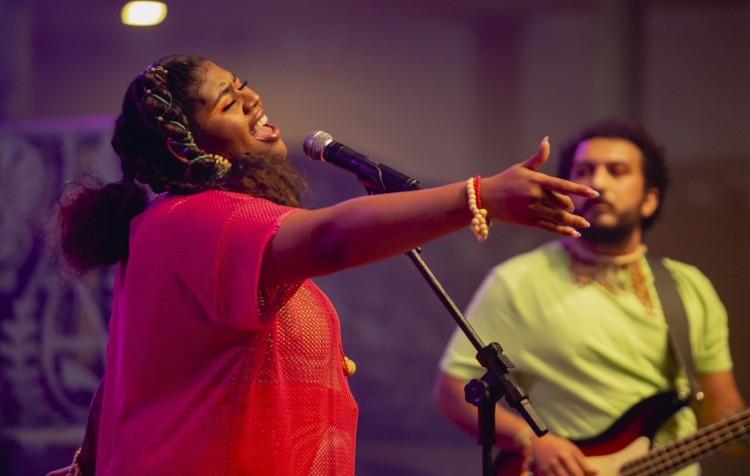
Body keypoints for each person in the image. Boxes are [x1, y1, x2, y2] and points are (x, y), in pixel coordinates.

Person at [48, 54, 598, 475]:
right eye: (227, 102)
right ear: (188, 145)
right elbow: (332, 238)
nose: (252, 99)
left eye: (242, 87)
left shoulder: (173, 228)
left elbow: (141, 380)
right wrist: (478, 195)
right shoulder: (197, 219)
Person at [434, 120, 748, 475]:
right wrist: (530, 440)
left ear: (649, 199)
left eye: (617, 171)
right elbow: (451, 393)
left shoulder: (689, 287)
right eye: (584, 171)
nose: (597, 183)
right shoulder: (516, 281)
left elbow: (722, 410)